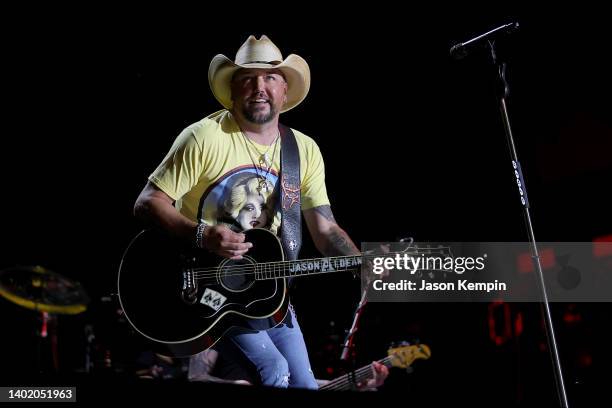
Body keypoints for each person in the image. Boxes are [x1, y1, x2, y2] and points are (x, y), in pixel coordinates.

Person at [134, 34, 362, 389]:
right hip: (204, 290)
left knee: (305, 384)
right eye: (248, 79)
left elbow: (324, 228)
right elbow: (147, 203)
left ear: (285, 91)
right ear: (233, 89)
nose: (260, 88)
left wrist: (359, 262)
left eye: (270, 78)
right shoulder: (204, 137)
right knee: (272, 370)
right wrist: (204, 234)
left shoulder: (303, 150)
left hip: (267, 294)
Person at [187, 345, 389, 391]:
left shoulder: (281, 335)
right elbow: (195, 377)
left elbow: (300, 383)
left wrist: (360, 384)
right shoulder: (218, 330)